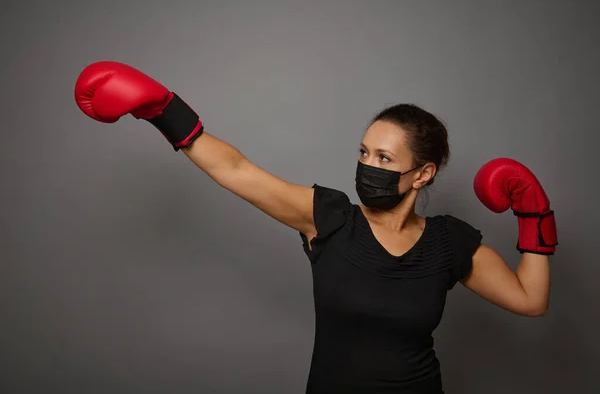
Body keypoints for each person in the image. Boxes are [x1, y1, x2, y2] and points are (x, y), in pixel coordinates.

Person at [74, 61, 558, 394]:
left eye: (385, 158)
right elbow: (236, 170)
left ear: (423, 173)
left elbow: (530, 300)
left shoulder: (449, 242)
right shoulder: (328, 218)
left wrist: (535, 216)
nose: (368, 165)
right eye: (364, 152)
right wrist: (164, 108)